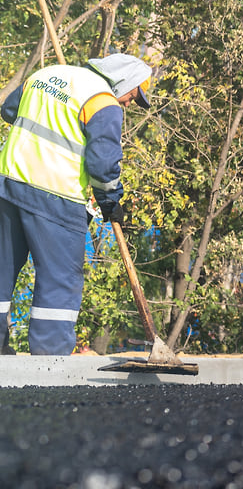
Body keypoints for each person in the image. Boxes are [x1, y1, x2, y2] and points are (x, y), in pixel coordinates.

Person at [0, 53, 151, 355]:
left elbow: (8, 110)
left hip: (8, 185)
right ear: (123, 82)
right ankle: (49, 363)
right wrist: (110, 202)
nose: (130, 104)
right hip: (56, 196)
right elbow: (102, 165)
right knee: (59, 280)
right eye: (134, 95)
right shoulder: (103, 102)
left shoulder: (47, 74)